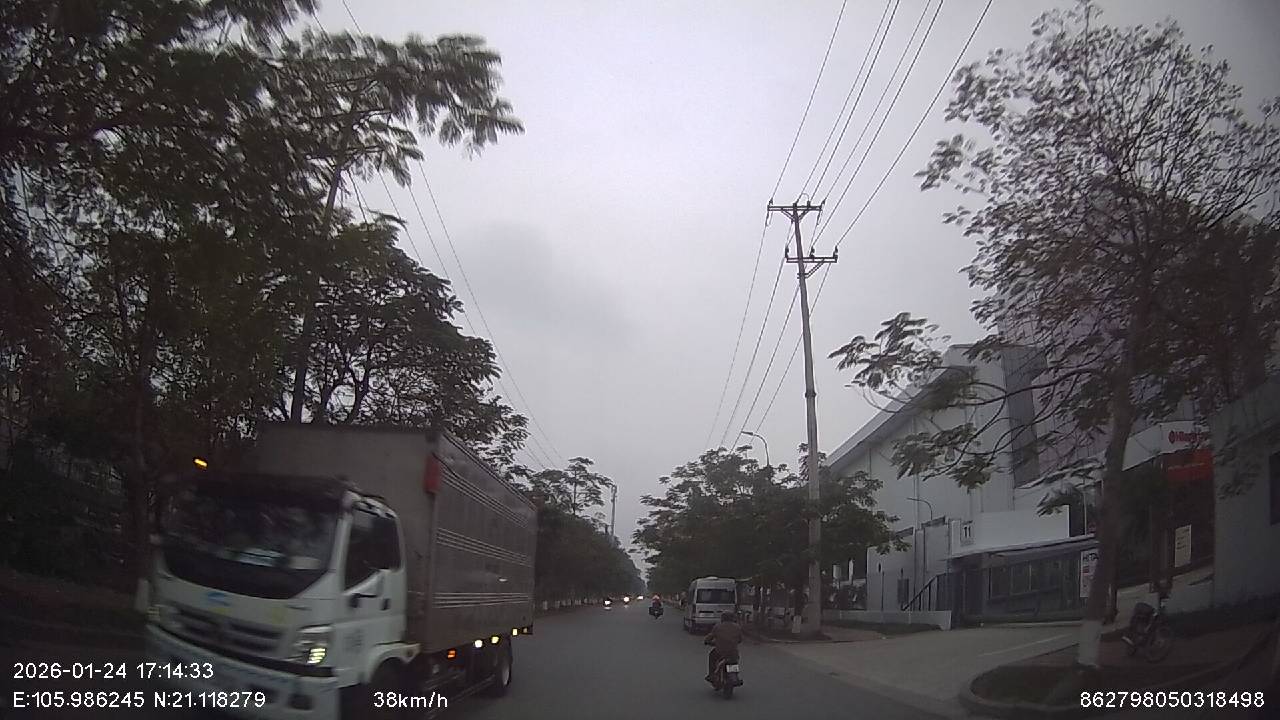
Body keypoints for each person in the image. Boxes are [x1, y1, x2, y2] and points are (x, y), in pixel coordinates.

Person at [703, 611, 743, 683]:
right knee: (734, 661)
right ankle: (735, 676)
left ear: (722, 618)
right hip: (733, 652)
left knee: (712, 656)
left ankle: (711, 674)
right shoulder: (737, 627)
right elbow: (740, 640)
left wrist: (706, 641)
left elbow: (709, 637)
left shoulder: (718, 626)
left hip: (720, 652)